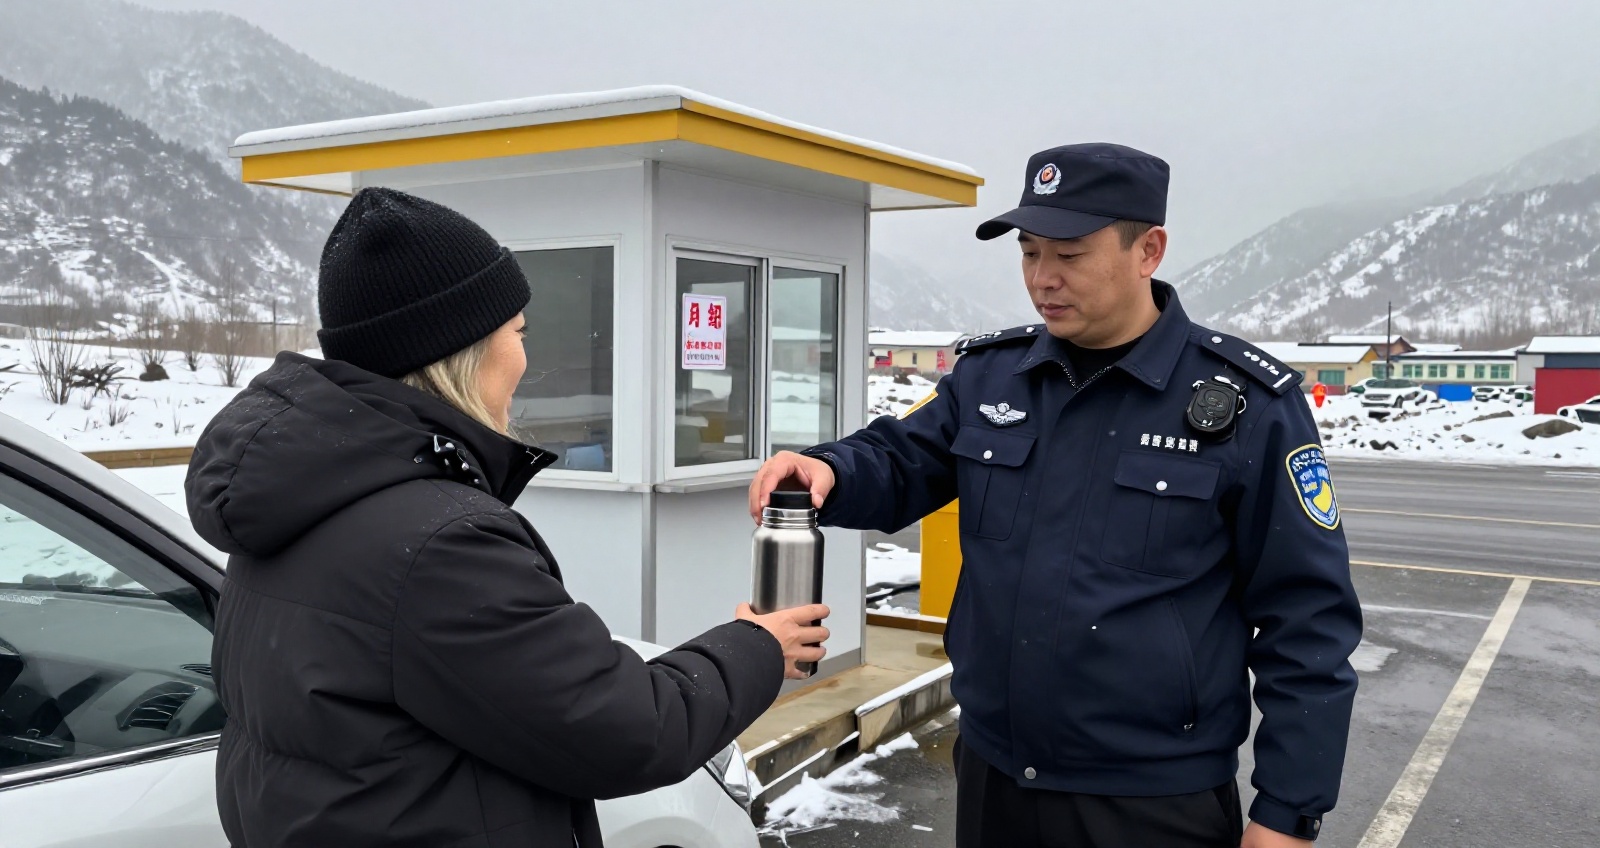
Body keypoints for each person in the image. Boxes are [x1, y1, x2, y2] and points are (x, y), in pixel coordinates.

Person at [751, 144, 1361, 848]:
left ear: (1149, 250)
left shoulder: (1246, 406)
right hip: (994, 780)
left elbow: (1308, 620)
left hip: (1151, 804)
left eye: (1068, 254)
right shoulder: (991, 379)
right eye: (1030, 252)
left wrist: (1286, 814)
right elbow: (898, 459)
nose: (1043, 279)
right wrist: (828, 468)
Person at [187, 187, 829, 848]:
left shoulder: (297, 502)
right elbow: (627, 728)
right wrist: (757, 646)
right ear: (460, 351)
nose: (525, 359)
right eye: (518, 332)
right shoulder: (436, 545)